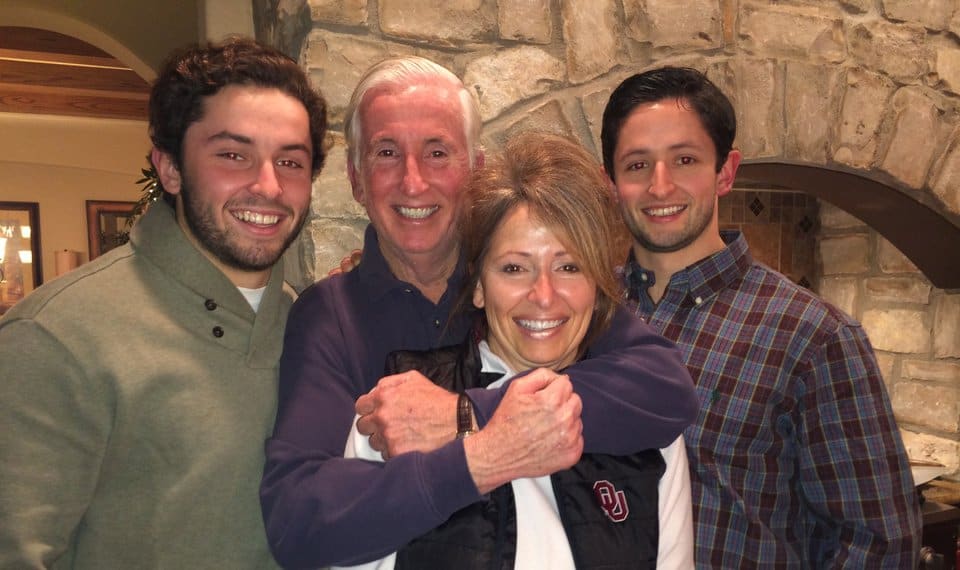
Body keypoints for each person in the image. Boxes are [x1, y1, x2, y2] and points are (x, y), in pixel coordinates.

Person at [259, 56, 698, 568]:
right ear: (356, 180)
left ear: (476, 170)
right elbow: (301, 520)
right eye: (386, 153)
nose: (414, 181)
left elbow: (665, 388)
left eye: (438, 152)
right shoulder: (330, 317)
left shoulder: (538, 295)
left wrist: (464, 415)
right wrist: (478, 458)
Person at [0, 37, 328, 569]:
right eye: (233, 155)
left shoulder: (309, 323)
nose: (268, 186)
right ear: (170, 168)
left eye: (290, 161)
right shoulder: (54, 337)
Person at [600, 65, 921, 567]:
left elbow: (877, 543)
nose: (660, 187)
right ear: (611, 182)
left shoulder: (814, 336)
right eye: (637, 165)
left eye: (684, 159)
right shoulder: (587, 315)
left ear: (725, 172)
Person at [339, 131, 694, 569]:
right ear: (479, 287)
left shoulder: (648, 431)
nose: (544, 296)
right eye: (514, 268)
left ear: (597, 286)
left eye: (568, 266)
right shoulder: (397, 415)